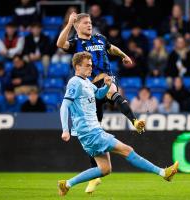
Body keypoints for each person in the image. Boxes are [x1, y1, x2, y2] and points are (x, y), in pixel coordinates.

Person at [57, 52, 178, 196]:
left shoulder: (86, 82)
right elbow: (64, 106)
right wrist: (65, 129)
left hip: (90, 132)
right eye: (87, 65)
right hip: (90, 131)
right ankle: (164, 173)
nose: (91, 68)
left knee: (105, 169)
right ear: (77, 66)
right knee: (127, 150)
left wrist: (107, 86)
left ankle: (67, 184)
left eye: (91, 65)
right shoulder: (74, 82)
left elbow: (99, 95)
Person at [56, 12, 146, 193]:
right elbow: (60, 44)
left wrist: (124, 55)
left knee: (114, 92)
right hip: (90, 86)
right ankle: (96, 175)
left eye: (90, 22)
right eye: (85, 23)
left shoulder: (100, 38)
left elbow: (111, 48)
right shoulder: (76, 43)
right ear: (77, 26)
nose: (89, 25)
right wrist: (69, 23)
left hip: (105, 80)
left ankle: (135, 121)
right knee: (94, 129)